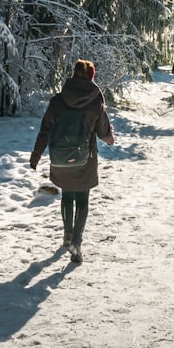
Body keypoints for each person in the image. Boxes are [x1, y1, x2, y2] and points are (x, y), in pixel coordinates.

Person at [30, 59, 114, 264]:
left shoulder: (58, 100)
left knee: (67, 196)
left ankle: (67, 236)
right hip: (86, 159)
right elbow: (104, 134)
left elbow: (45, 129)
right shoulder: (95, 102)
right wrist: (111, 138)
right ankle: (76, 242)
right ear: (91, 77)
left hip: (61, 158)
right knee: (83, 200)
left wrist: (36, 155)